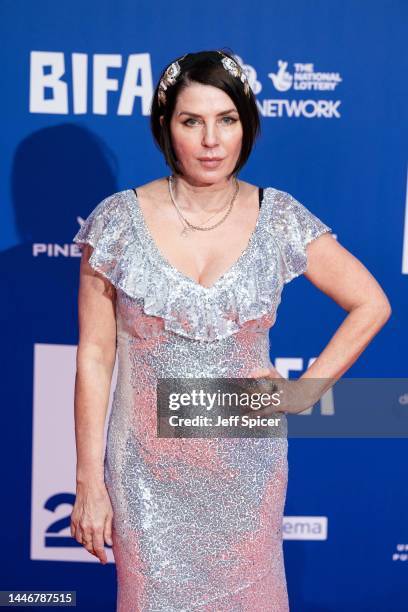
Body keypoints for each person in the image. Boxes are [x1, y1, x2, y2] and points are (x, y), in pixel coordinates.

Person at [70, 49, 391, 611]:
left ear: (246, 124)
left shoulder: (280, 217)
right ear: (167, 128)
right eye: (192, 121)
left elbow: (371, 303)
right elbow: (95, 356)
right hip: (146, 469)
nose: (211, 140)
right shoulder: (117, 222)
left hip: (245, 469)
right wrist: (88, 482)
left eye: (227, 120)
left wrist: (304, 391)